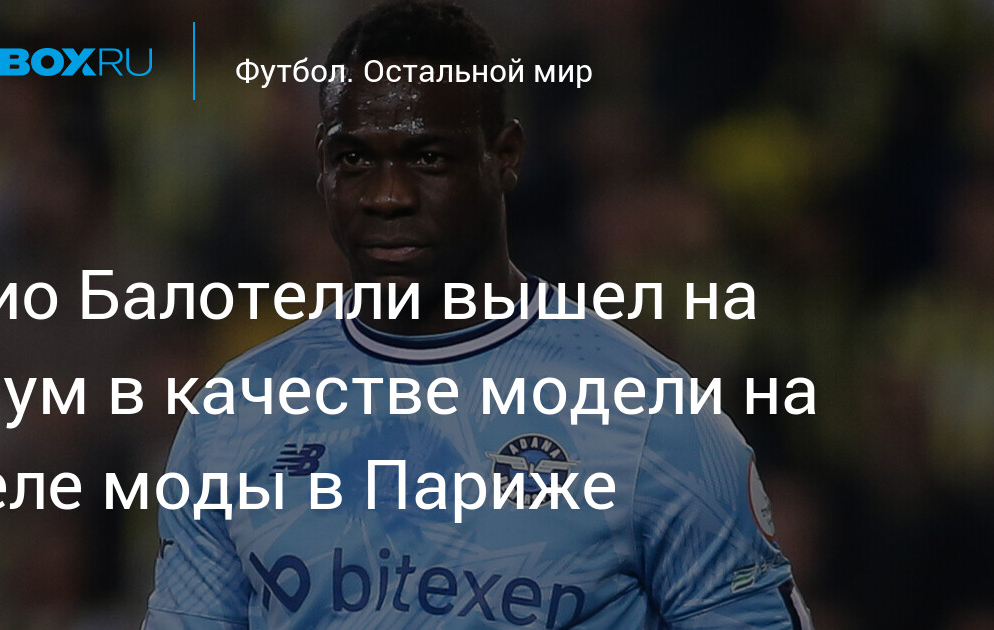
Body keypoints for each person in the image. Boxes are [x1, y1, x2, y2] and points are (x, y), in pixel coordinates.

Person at [144, 1, 813, 628]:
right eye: (355, 159)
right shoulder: (235, 416)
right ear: (322, 164)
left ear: (505, 155)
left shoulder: (650, 418)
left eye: (427, 157)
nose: (387, 195)